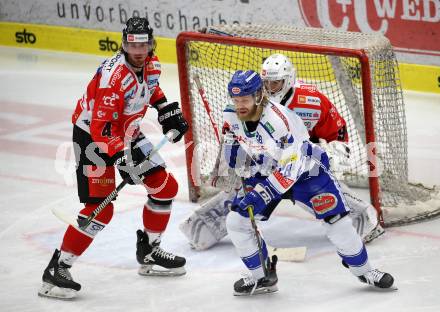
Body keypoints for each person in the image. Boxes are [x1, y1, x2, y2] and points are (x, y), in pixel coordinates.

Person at [38, 17, 189, 300]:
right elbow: (101, 128)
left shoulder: (152, 64)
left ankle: (149, 251)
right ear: (124, 45)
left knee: (165, 187)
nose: (139, 50)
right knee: (101, 208)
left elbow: (151, 87)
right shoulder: (113, 78)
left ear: (151, 44)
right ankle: (58, 268)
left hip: (125, 131)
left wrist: (165, 109)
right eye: (133, 45)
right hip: (93, 137)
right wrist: (123, 161)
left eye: (143, 44)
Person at [180, 54, 384, 251]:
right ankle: (201, 229)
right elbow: (234, 135)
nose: (269, 88)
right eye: (265, 83)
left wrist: (328, 160)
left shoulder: (311, 101)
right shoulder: (251, 102)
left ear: (288, 80)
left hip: (301, 167)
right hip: (264, 167)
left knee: (325, 190)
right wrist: (231, 163)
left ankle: (364, 222)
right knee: (241, 200)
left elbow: (338, 137)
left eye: (274, 83)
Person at [223, 70, 394, 295]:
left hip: (306, 171)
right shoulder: (231, 113)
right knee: (236, 222)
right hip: (265, 170)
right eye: (235, 100)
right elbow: (231, 137)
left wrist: (260, 194)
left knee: (337, 222)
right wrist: (235, 156)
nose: (239, 105)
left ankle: (364, 270)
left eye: (244, 100)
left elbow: (290, 169)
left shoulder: (279, 120)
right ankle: (261, 276)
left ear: (258, 96)